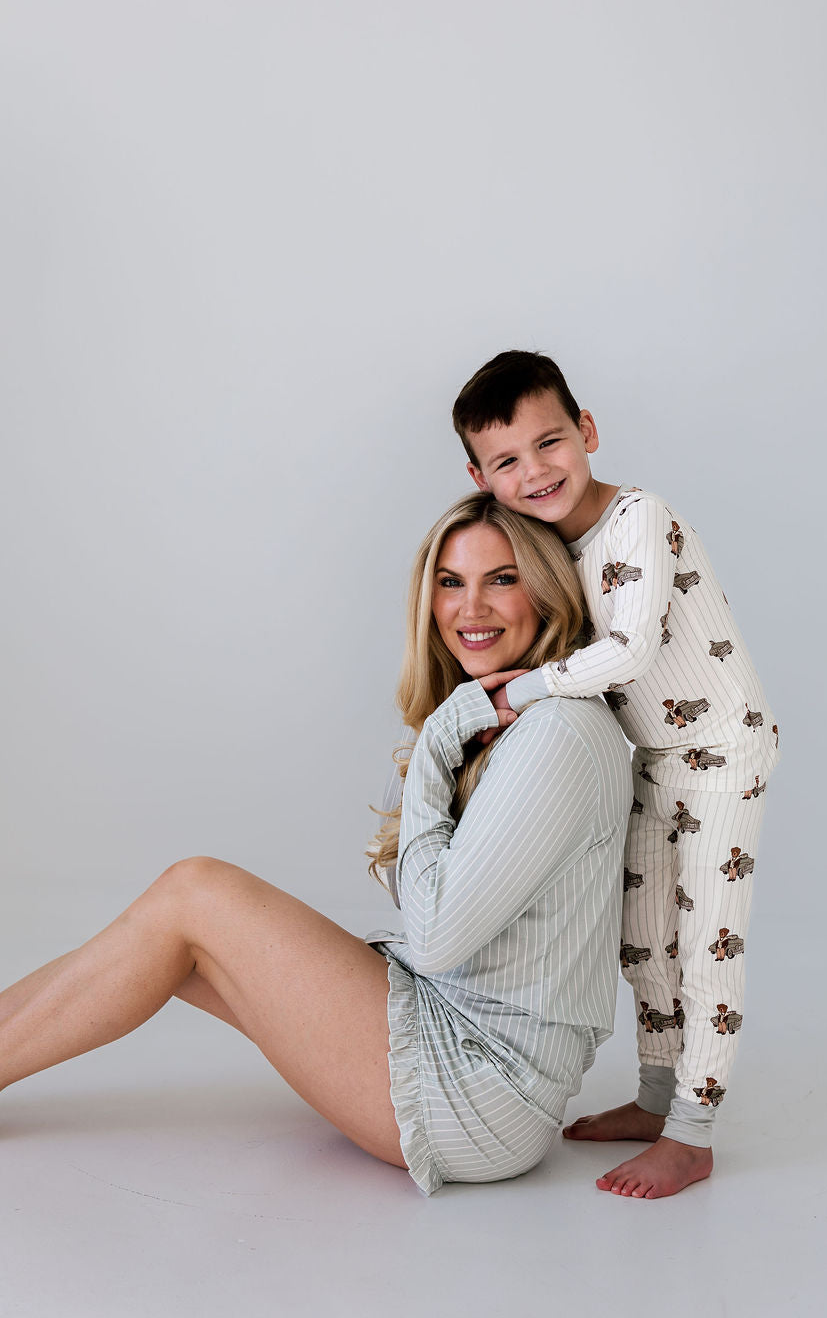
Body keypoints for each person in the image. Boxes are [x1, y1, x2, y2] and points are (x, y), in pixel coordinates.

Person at [0, 494, 632, 1196]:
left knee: (193, 893)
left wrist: (435, 745)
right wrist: (446, 734)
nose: (470, 608)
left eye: (502, 579)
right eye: (450, 582)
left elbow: (436, 940)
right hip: (465, 1048)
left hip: (482, 1092)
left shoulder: (556, 733)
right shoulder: (508, 723)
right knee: (165, 946)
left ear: (546, 591)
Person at [452, 350, 780, 1200]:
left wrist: (520, 691)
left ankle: (693, 1135)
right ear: (480, 478)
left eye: (549, 442)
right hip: (657, 758)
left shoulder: (639, 517)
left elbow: (630, 650)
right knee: (641, 936)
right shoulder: (545, 544)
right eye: (506, 461)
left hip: (723, 750)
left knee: (706, 942)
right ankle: (658, 1096)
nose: (535, 471)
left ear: (587, 430)